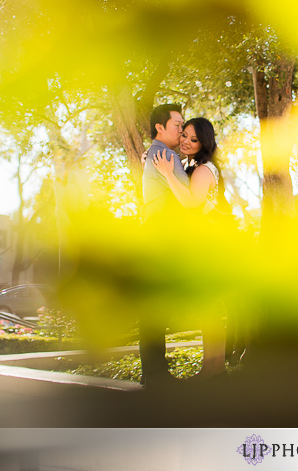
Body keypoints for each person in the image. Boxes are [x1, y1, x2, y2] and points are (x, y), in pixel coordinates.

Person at [153, 117, 229, 377]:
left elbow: (192, 204)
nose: (185, 141)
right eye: (183, 134)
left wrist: (165, 173)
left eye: (193, 139)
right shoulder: (193, 166)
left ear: (203, 143)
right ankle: (214, 369)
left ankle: (213, 371)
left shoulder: (203, 169)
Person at [139, 103, 187, 387]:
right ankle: (156, 374)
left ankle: (155, 372)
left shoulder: (157, 152)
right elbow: (190, 195)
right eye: (177, 124)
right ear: (160, 127)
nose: (181, 129)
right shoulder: (164, 154)